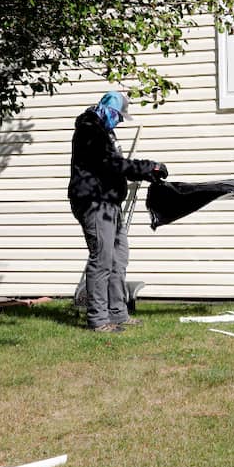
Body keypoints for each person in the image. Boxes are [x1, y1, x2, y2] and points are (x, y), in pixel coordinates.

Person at [67, 91, 168, 333]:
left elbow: (114, 167)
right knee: (102, 260)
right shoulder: (89, 130)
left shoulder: (103, 130)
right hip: (94, 202)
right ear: (108, 110)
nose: (121, 121)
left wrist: (147, 171)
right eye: (119, 116)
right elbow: (111, 165)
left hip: (109, 203)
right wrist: (147, 168)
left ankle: (118, 313)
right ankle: (98, 320)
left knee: (118, 258)